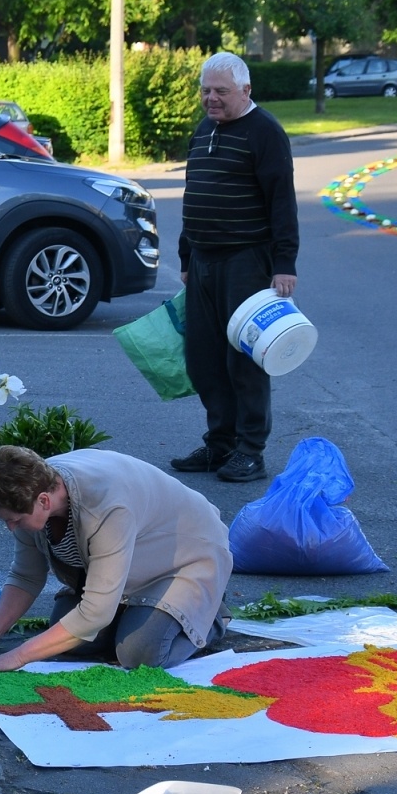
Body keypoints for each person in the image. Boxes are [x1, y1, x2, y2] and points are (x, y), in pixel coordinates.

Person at [0, 446, 231, 672]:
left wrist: (17, 657)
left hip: (185, 557)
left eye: (14, 520)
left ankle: (211, 616)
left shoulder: (106, 506)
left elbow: (94, 614)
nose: (10, 527)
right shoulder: (31, 489)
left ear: (44, 501)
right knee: (69, 638)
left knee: (139, 652)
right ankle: (135, 615)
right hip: (131, 565)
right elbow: (26, 576)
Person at [171, 51, 299, 484]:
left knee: (245, 360)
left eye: (220, 91)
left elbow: (282, 201)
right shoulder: (204, 129)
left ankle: (250, 451)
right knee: (203, 359)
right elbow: (194, 195)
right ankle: (219, 444)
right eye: (205, 90)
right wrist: (187, 255)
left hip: (246, 261)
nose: (211, 98)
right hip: (204, 262)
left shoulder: (265, 132)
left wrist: (284, 262)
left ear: (246, 91)